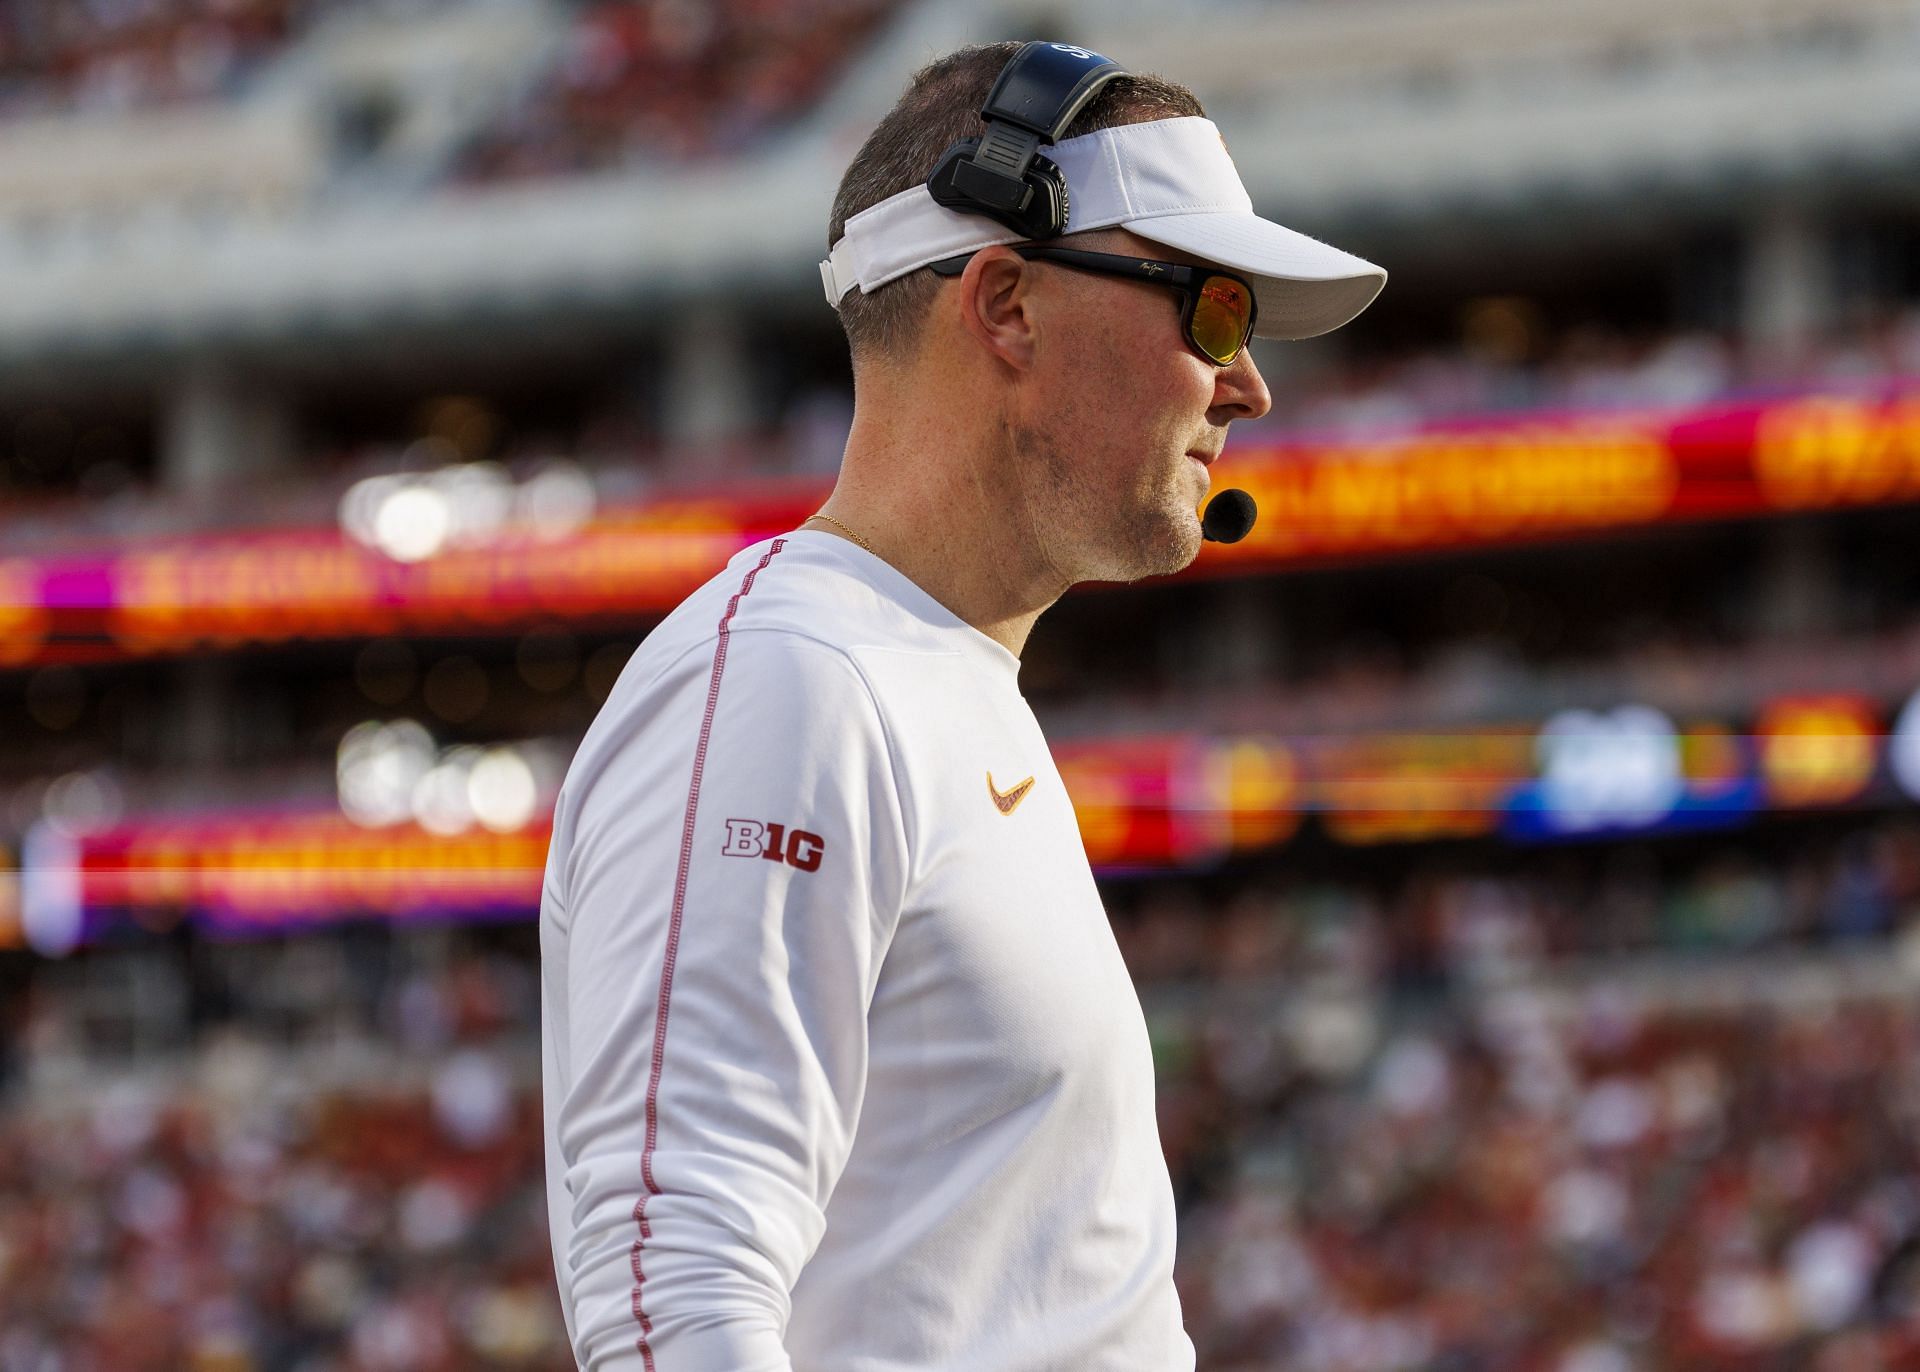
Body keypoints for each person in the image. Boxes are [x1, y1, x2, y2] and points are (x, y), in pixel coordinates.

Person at [539, 40, 1384, 1372]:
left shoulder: (924, 680)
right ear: (1008, 308)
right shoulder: (792, 677)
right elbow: (674, 1289)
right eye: (1211, 310)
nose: (1247, 383)